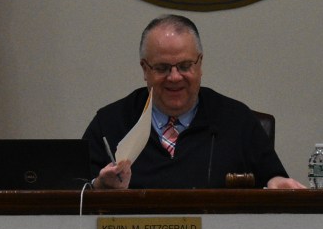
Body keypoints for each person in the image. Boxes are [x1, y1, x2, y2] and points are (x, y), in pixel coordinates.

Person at [83, 15, 304, 190]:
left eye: (185, 66)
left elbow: (273, 180)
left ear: (200, 65)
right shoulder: (110, 123)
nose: (174, 77)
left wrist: (274, 182)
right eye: (162, 68)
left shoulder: (237, 120)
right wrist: (99, 186)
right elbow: (73, 193)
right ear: (144, 69)